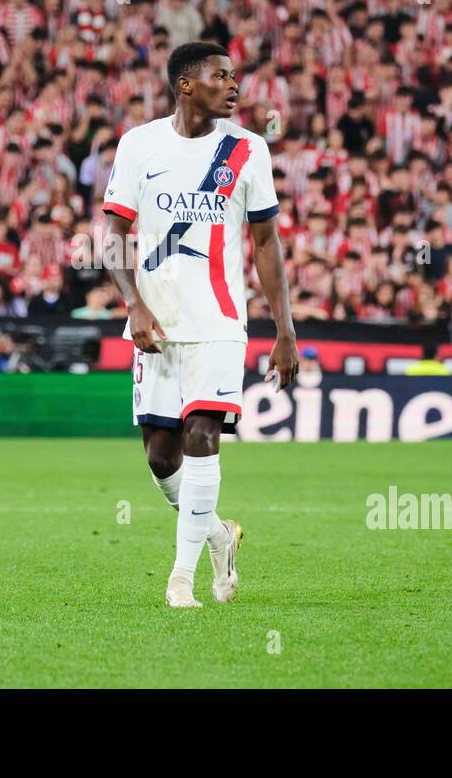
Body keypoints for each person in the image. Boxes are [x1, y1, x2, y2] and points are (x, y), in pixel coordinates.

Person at [104, 41, 298, 609]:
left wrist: (283, 329)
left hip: (219, 322)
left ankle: (181, 581)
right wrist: (133, 303)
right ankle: (217, 534)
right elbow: (113, 236)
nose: (234, 85)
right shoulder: (139, 145)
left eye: (235, 76)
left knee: (202, 439)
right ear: (186, 84)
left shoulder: (248, 150)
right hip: (157, 325)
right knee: (162, 458)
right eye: (221, 75)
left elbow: (266, 243)